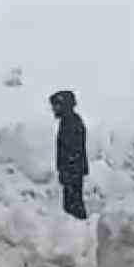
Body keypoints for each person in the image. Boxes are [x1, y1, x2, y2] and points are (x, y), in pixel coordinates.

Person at [51, 90, 88, 220]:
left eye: (57, 105)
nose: (54, 109)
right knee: (71, 205)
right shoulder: (69, 122)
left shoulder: (71, 123)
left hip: (72, 171)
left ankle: (79, 232)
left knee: (74, 206)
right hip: (71, 170)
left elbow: (73, 149)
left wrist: (67, 170)